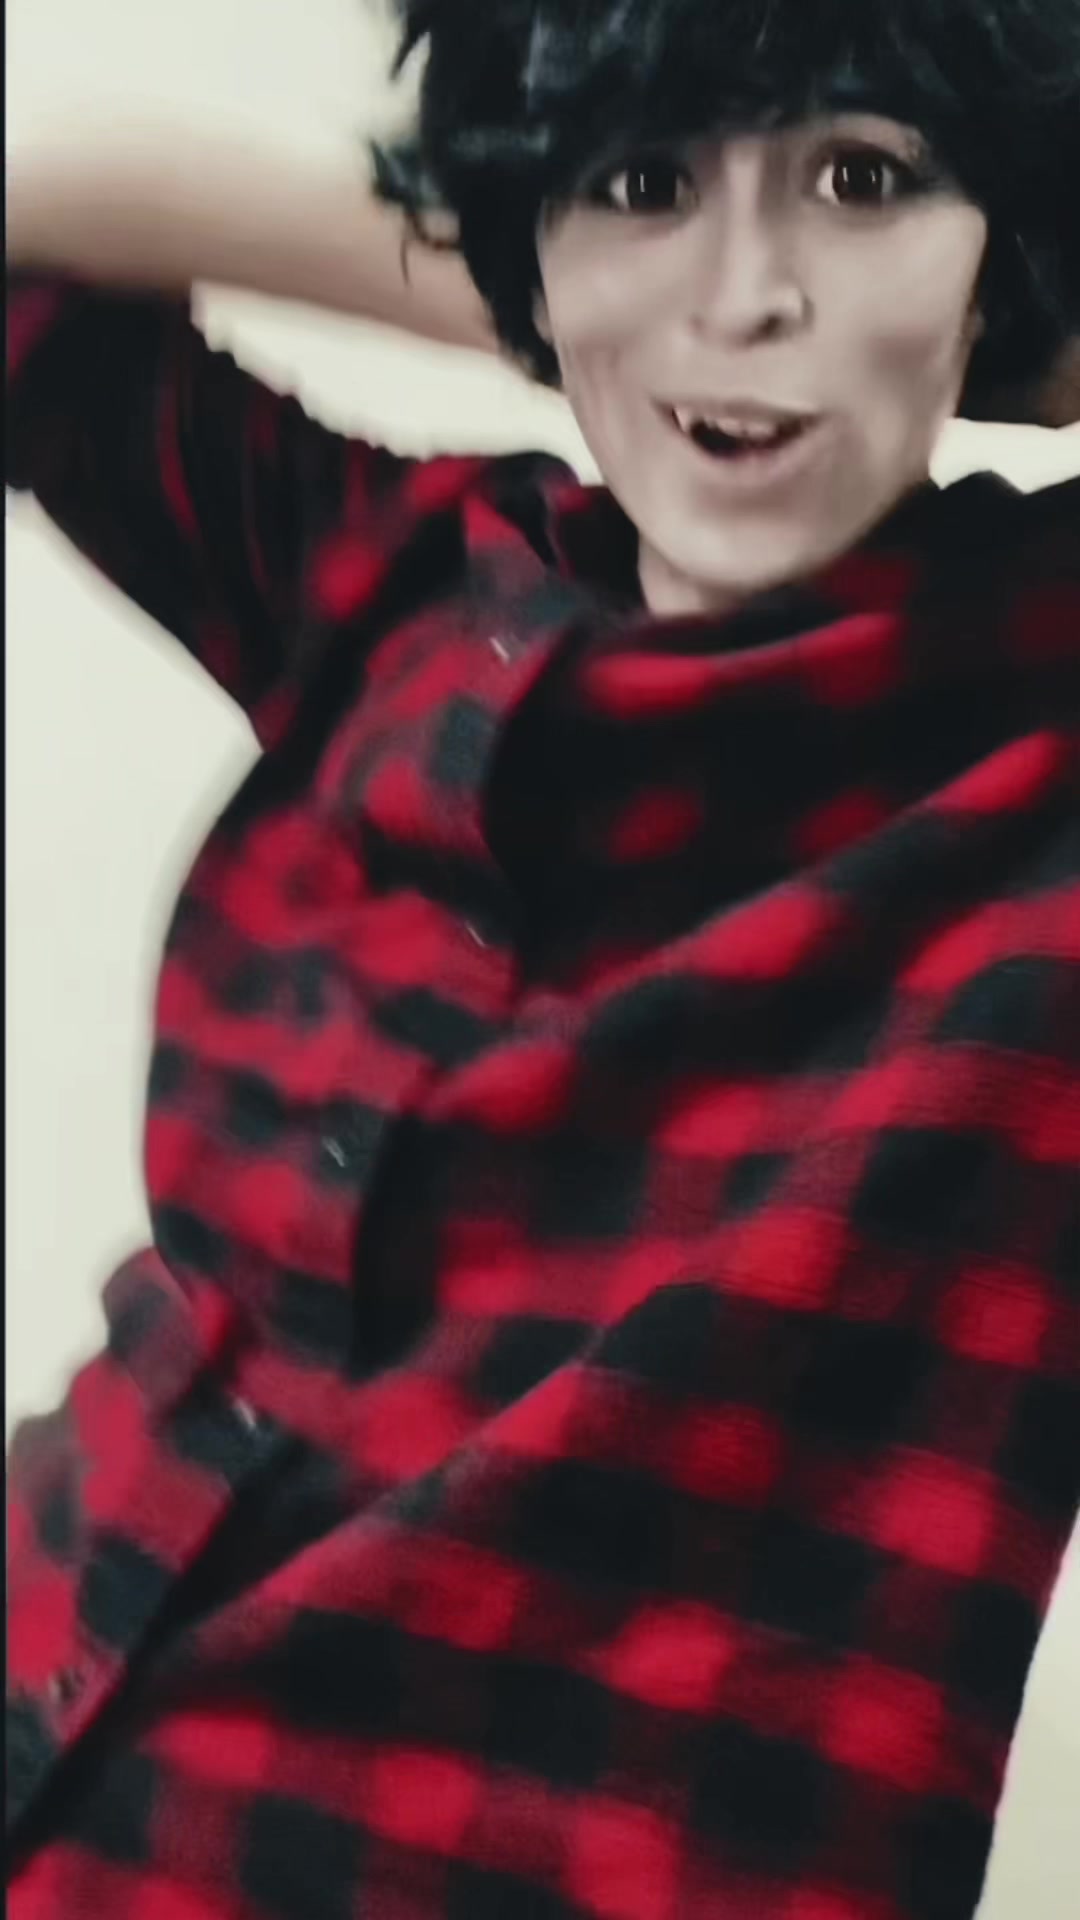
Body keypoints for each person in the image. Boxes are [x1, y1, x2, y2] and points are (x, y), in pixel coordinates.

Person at [6, 0, 1079, 1915]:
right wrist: (538, 268)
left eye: (864, 181)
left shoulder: (1036, 736)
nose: (745, 300)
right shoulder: (394, 568)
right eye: (646, 184)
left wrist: (1008, 319)